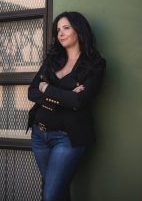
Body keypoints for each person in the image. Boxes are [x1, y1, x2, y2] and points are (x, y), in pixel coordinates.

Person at [27, 11, 106, 201]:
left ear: (78, 30)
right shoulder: (52, 60)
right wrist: (66, 96)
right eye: (58, 30)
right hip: (39, 135)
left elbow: (78, 101)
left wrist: (47, 88)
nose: (60, 33)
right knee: (55, 191)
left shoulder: (94, 64)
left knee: (51, 195)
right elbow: (32, 92)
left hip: (68, 138)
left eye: (66, 28)